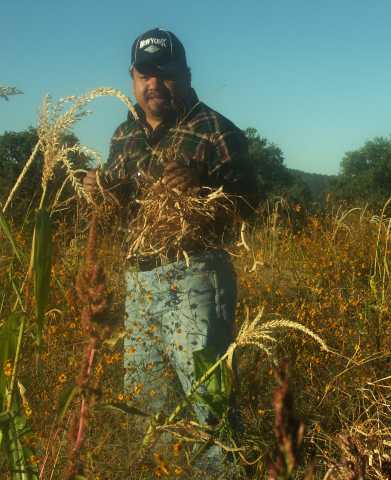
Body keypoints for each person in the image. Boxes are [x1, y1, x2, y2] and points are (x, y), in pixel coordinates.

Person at [83, 27, 256, 472]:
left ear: (186, 74)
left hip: (195, 276)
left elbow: (251, 198)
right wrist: (98, 187)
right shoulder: (124, 135)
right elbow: (118, 205)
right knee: (147, 401)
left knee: (207, 399)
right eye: (146, 74)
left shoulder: (215, 129)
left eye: (166, 73)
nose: (155, 83)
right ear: (132, 77)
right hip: (138, 281)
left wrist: (205, 183)